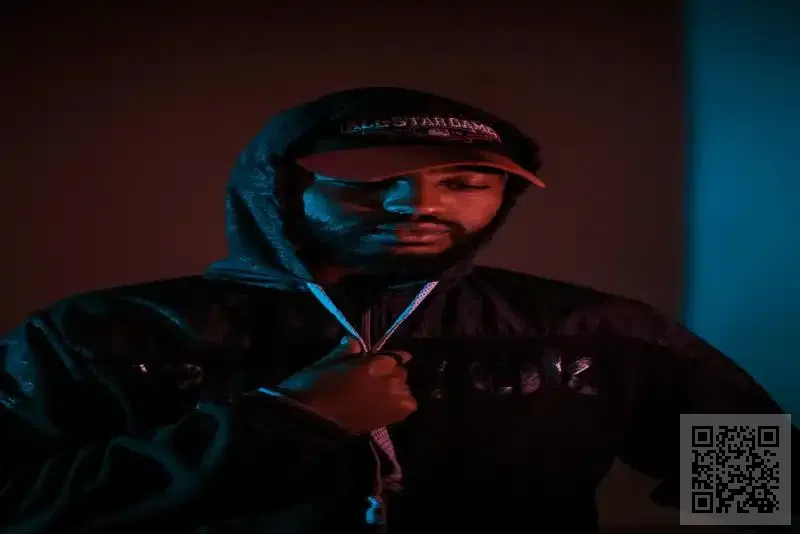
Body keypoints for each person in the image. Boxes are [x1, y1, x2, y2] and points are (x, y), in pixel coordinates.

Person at [0, 86, 796, 534]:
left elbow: (759, 487)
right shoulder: (103, 334)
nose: (418, 204)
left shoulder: (597, 332)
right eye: (369, 182)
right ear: (280, 190)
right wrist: (285, 422)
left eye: (465, 182)